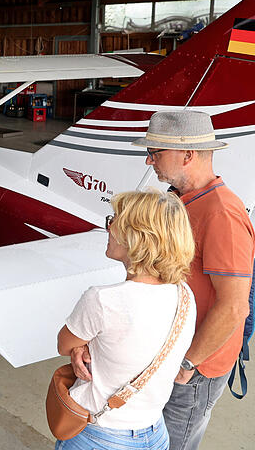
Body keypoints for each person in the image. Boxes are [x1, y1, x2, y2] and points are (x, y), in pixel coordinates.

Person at [124, 110, 251, 450]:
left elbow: (234, 306)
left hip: (196, 368)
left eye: (156, 152)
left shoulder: (222, 213)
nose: (149, 160)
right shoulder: (182, 201)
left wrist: (188, 362)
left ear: (188, 154)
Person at [57, 190, 198, 450]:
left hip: (100, 436)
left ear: (137, 236)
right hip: (154, 433)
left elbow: (64, 344)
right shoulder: (184, 294)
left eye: (115, 220)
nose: (108, 228)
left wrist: (81, 346)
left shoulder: (102, 300)